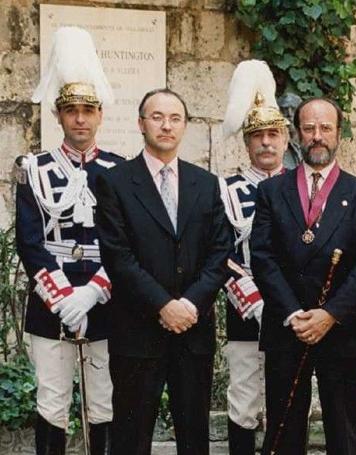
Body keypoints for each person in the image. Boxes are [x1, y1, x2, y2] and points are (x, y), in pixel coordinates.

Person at [94, 88, 232, 455]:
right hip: (137, 331)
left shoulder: (205, 183)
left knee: (194, 437)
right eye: (157, 117)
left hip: (193, 330)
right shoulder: (115, 182)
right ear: (140, 123)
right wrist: (163, 305)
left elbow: (220, 251)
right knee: (130, 437)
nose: (166, 126)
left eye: (175, 119)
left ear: (185, 126)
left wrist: (190, 304)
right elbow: (117, 256)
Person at [251, 97, 356, 454]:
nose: (317, 136)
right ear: (297, 134)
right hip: (286, 326)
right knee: (283, 430)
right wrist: (294, 313)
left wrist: (329, 315)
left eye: (325, 128)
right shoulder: (270, 191)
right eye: (309, 128)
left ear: (339, 134)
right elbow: (262, 258)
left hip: (342, 329)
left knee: (344, 432)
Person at [16, 26, 122, 455]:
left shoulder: (120, 169)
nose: (81, 118)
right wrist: (63, 299)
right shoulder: (34, 168)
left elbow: (126, 244)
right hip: (50, 299)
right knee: (52, 401)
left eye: (88, 110)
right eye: (72, 110)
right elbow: (29, 240)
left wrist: (93, 294)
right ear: (59, 115)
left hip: (106, 298)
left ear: (100, 115)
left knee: (103, 401)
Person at [219, 59, 290, 454]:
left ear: (284, 139)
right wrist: (254, 302)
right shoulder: (225, 190)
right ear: (247, 142)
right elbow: (221, 253)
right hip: (247, 311)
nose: (266, 142)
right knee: (244, 400)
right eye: (257, 135)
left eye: (273, 134)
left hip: (292, 309)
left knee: (288, 399)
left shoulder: (302, 187)